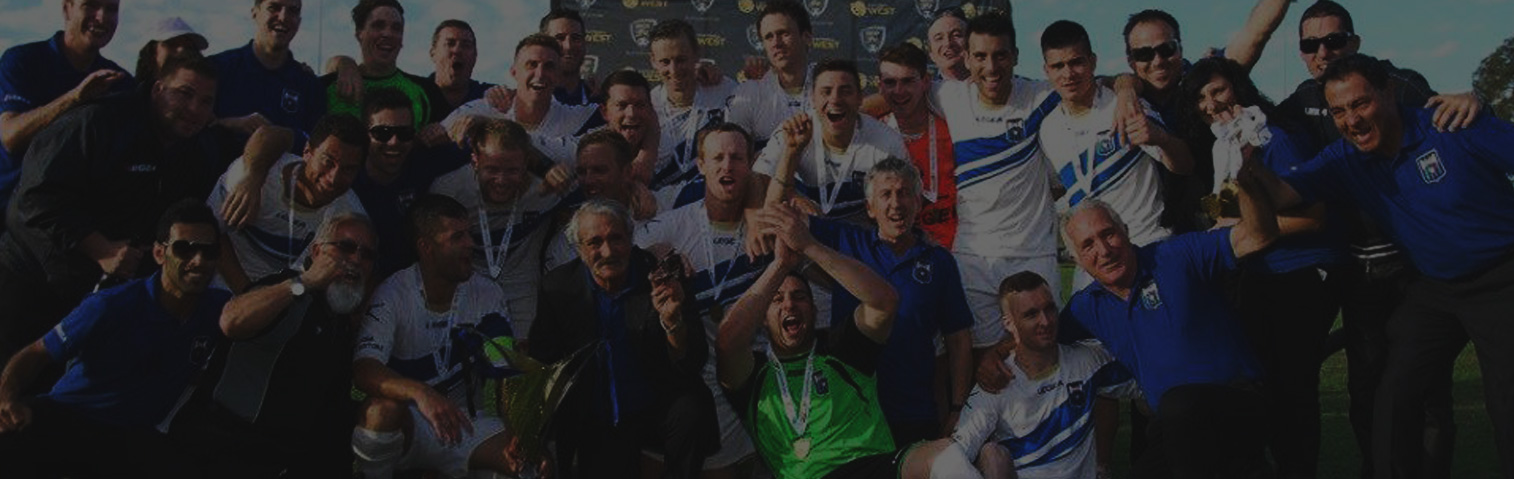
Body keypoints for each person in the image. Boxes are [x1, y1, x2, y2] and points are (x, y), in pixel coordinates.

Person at [1255, 53, 1514, 479]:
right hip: (1437, 287)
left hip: (1502, 279)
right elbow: (1284, 195)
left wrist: (1480, 100)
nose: (1352, 120)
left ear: (1389, 92)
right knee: (1393, 393)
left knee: (1506, 401)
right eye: (1339, 111)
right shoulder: (1345, 158)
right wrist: (1247, 164)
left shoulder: (1452, 124)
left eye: (1360, 103)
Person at [716, 202, 982, 479]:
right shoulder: (754, 375)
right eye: (777, 299)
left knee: (948, 456)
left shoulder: (839, 349)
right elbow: (727, 342)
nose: (789, 305)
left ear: (814, 310)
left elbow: (884, 302)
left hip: (873, 467)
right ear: (762, 317)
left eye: (799, 297)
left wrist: (809, 246)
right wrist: (780, 266)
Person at [1177, 56, 1349, 479]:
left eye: (1218, 90)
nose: (1211, 103)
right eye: (1200, 97)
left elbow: (1314, 217)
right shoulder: (1224, 146)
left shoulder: (1272, 135)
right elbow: (1227, 214)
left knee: (1292, 389)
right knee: (1262, 385)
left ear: (1238, 87)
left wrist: (1249, 229)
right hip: (1258, 276)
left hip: (1299, 273)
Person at [1050, 173, 1277, 478]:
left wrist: (1249, 183)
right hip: (1173, 430)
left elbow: (1259, 235)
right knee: (1171, 419)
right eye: (1088, 245)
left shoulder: (1176, 256)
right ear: (1077, 259)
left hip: (1235, 403)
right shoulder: (1088, 306)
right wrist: (997, 353)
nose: (1103, 250)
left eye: (1108, 234)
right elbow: (1042, 338)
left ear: (1125, 230)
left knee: (1178, 403)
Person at [0, 57, 221, 363]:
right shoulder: (98, 121)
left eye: (206, 102)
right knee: (13, 380)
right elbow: (35, 196)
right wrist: (100, 248)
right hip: (31, 279)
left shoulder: (195, 151)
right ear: (158, 89)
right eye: (185, 93)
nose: (195, 109)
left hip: (99, 297)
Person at [0, 200, 229, 479]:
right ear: (160, 253)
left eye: (208, 251)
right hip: (70, 418)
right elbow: (37, 352)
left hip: (131, 440)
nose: (198, 260)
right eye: (184, 249)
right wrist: (6, 398)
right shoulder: (111, 305)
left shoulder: (220, 311)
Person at [170, 213, 377, 478]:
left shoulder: (342, 322)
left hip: (279, 457)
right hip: (219, 442)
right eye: (346, 247)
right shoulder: (286, 288)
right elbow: (232, 320)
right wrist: (304, 282)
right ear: (317, 252)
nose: (356, 260)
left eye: (367, 255)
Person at [530, 199, 718, 479]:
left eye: (616, 238)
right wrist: (532, 437)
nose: (607, 252)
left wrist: (672, 322)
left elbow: (693, 360)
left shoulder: (662, 275)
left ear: (631, 238)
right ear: (580, 249)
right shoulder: (558, 288)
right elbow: (542, 364)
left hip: (656, 405)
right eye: (595, 243)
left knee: (690, 410)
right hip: (597, 418)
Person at [351, 194, 530, 479]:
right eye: (457, 237)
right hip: (413, 421)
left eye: (469, 234)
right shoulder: (392, 294)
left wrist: (517, 430)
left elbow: (505, 371)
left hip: (466, 422)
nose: (470, 244)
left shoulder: (487, 293)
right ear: (426, 247)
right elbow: (364, 369)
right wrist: (421, 393)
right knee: (380, 411)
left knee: (528, 466)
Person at [809, 158, 973, 446]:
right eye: (886, 194)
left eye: (904, 193)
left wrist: (958, 407)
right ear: (870, 208)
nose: (896, 204)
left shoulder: (940, 261)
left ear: (918, 203)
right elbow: (776, 219)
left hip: (914, 414)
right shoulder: (846, 242)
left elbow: (958, 338)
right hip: (851, 416)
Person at [633, 122, 766, 476]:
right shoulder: (671, 225)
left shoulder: (764, 226)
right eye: (717, 158)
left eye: (737, 158)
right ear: (700, 165)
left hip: (747, 384)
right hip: (684, 386)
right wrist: (653, 253)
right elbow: (616, 255)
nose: (727, 166)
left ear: (750, 165)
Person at [930, 10, 1062, 355]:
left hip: (1033, 254)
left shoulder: (1041, 96)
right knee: (981, 361)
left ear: (1015, 55)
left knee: (1041, 355)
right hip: (974, 258)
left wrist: (1125, 87)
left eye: (1000, 55)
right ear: (967, 58)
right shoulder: (949, 96)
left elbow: (1100, 83)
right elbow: (895, 94)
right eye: (980, 56)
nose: (991, 67)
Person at [1039, 20, 1191, 277]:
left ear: (1093, 61)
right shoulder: (1048, 129)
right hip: (1095, 262)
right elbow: (1057, 188)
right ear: (1046, 70)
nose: (1068, 74)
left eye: (1076, 62)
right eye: (1058, 66)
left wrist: (1161, 139)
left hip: (1148, 245)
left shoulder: (1123, 104)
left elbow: (1185, 165)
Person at [951, 271, 1137, 479]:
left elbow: (1145, 382)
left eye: (1049, 309)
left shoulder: (1087, 361)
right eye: (1031, 314)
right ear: (1009, 324)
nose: (1046, 321)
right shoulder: (995, 382)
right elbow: (956, 453)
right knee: (991, 455)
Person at [430, 118, 562, 344]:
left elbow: (598, 188)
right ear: (475, 161)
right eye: (492, 169)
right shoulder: (448, 190)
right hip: (466, 288)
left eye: (512, 171)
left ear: (527, 164)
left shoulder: (548, 188)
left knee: (523, 357)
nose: (501, 180)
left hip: (522, 292)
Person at [0, 0, 133, 218]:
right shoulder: (22, 61)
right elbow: (11, 137)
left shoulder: (121, 82)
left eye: (111, 9)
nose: (101, 17)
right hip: (9, 212)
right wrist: (75, 98)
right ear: (67, 8)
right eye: (91, 5)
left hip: (71, 218)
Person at [209, 114, 368, 293]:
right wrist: (247, 293)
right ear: (307, 152)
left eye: (348, 169)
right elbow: (211, 233)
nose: (334, 178)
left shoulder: (349, 219)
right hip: (221, 286)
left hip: (287, 299)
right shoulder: (251, 178)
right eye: (327, 162)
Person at [754, 59, 908, 224]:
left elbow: (903, 203)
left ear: (860, 98)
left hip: (863, 229)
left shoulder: (888, 142)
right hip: (807, 227)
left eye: (845, 91)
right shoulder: (792, 132)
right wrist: (792, 156)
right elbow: (758, 184)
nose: (835, 99)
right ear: (812, 99)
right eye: (826, 92)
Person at [442, 33, 600, 164]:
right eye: (532, 64)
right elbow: (439, 135)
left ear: (558, 76)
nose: (540, 74)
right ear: (514, 72)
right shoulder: (481, 109)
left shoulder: (578, 117)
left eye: (549, 66)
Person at [322, 0, 448, 144]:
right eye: (378, 25)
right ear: (359, 33)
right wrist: (343, 62)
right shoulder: (324, 88)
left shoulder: (427, 92)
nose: (388, 33)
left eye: (396, 28)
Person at [646, 19, 736, 209]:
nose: (674, 70)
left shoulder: (724, 91)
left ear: (696, 54)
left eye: (681, 60)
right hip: (662, 210)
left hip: (716, 206)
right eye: (665, 62)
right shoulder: (646, 107)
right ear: (653, 61)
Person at [875, 43, 958, 249]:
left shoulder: (954, 131)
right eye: (890, 82)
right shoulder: (873, 136)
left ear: (925, 82)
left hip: (955, 253)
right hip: (895, 254)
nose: (899, 91)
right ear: (880, 86)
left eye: (908, 81)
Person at [349, 88, 438, 279]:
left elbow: (479, 150)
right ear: (365, 135)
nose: (394, 142)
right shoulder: (346, 176)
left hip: (410, 283)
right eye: (382, 133)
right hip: (356, 279)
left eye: (404, 133)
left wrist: (450, 129)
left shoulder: (423, 163)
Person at [208, 0, 325, 143]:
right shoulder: (216, 68)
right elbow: (192, 124)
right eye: (273, 7)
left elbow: (316, 145)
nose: (283, 17)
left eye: (293, 11)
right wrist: (229, 123)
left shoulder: (310, 86)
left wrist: (283, 138)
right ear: (255, 13)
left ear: (299, 21)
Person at [541, 129, 658, 272]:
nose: (588, 180)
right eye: (582, 172)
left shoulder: (663, 204)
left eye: (599, 170)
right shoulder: (566, 246)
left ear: (627, 171)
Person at [728, 0, 814, 148]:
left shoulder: (831, 87)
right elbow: (734, 153)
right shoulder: (748, 93)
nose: (776, 43)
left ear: (806, 37)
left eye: (784, 33)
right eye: (769, 37)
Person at [428, 20, 493, 117]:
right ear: (433, 54)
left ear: (475, 56)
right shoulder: (415, 95)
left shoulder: (490, 98)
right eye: (450, 43)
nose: (457, 50)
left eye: (466, 45)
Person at [133, 17, 208, 89]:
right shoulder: (130, 94)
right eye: (172, 44)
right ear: (151, 53)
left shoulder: (210, 93)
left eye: (189, 47)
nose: (181, 50)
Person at [541, 9, 596, 107]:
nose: (568, 46)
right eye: (560, 38)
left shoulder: (600, 103)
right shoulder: (524, 103)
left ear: (584, 43)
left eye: (575, 38)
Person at [925, 9, 970, 84]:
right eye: (939, 38)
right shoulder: (925, 90)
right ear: (931, 54)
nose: (948, 43)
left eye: (956, 35)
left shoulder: (988, 85)